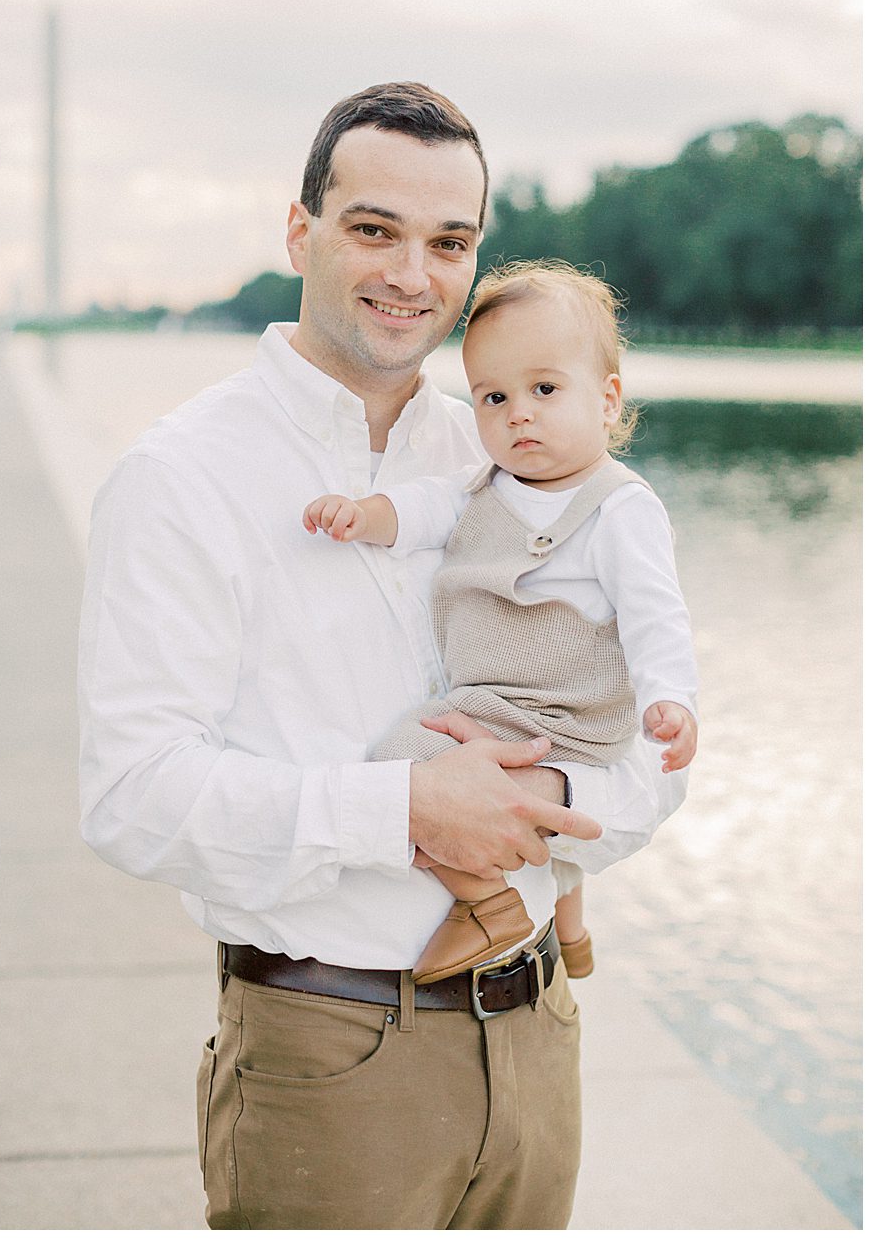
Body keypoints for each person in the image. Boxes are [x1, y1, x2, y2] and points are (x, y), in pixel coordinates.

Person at [78, 82, 688, 1229]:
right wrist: (404, 807)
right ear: (300, 229)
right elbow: (130, 797)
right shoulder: (181, 477)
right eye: (374, 229)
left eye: (448, 241)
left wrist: (558, 792)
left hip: (539, 1035)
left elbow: (656, 735)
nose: (413, 272)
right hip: (332, 1054)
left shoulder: (522, 447)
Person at [303, 259, 698, 986]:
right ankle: (568, 926)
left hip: (566, 713)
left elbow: (656, 616)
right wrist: (365, 517)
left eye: (545, 389)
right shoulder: (483, 487)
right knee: (434, 762)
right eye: (492, 396)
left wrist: (671, 699)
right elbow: (421, 508)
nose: (518, 412)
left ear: (608, 400)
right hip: (493, 702)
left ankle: (488, 903)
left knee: (397, 758)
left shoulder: (619, 506)